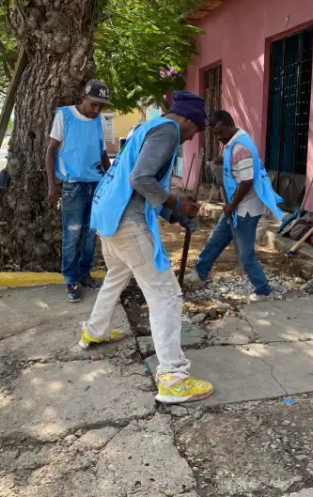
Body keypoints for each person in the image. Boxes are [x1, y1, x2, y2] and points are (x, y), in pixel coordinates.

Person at [80, 91, 214, 404]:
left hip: (108, 216)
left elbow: (139, 187)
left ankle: (94, 331)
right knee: (165, 294)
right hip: (127, 224)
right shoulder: (169, 131)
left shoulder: (147, 127)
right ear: (188, 120)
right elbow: (141, 178)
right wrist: (179, 203)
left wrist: (175, 214)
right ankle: (172, 376)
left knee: (116, 277)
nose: (191, 138)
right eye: (196, 130)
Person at [185, 110, 285, 302]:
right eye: (215, 134)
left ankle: (263, 291)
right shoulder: (236, 140)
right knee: (216, 240)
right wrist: (223, 161)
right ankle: (200, 273)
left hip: (245, 208)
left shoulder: (240, 147)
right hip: (236, 206)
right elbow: (239, 164)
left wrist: (231, 206)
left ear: (230, 125)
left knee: (246, 253)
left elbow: (246, 181)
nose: (219, 138)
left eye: (221, 133)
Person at [46, 79, 112, 303]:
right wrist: (52, 184)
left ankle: (85, 274)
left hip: (96, 184)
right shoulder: (64, 116)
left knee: (91, 235)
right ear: (83, 97)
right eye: (93, 104)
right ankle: (70, 279)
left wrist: (111, 180)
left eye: (100, 106)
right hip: (73, 185)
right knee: (72, 234)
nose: (96, 110)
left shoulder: (99, 120)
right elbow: (51, 151)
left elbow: (103, 155)